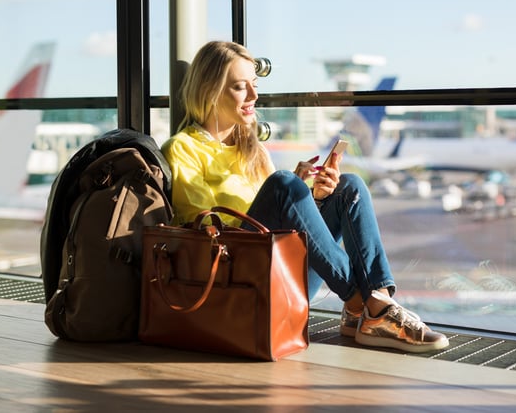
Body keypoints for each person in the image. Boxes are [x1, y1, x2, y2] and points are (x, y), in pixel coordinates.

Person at [161, 40, 448, 353]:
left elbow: (273, 218)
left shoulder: (252, 149)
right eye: (240, 87)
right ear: (210, 90)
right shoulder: (183, 149)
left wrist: (310, 198)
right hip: (237, 280)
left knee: (349, 187)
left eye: (254, 85)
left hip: (275, 267)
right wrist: (286, 191)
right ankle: (363, 305)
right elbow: (204, 235)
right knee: (283, 183)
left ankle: (366, 308)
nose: (254, 97)